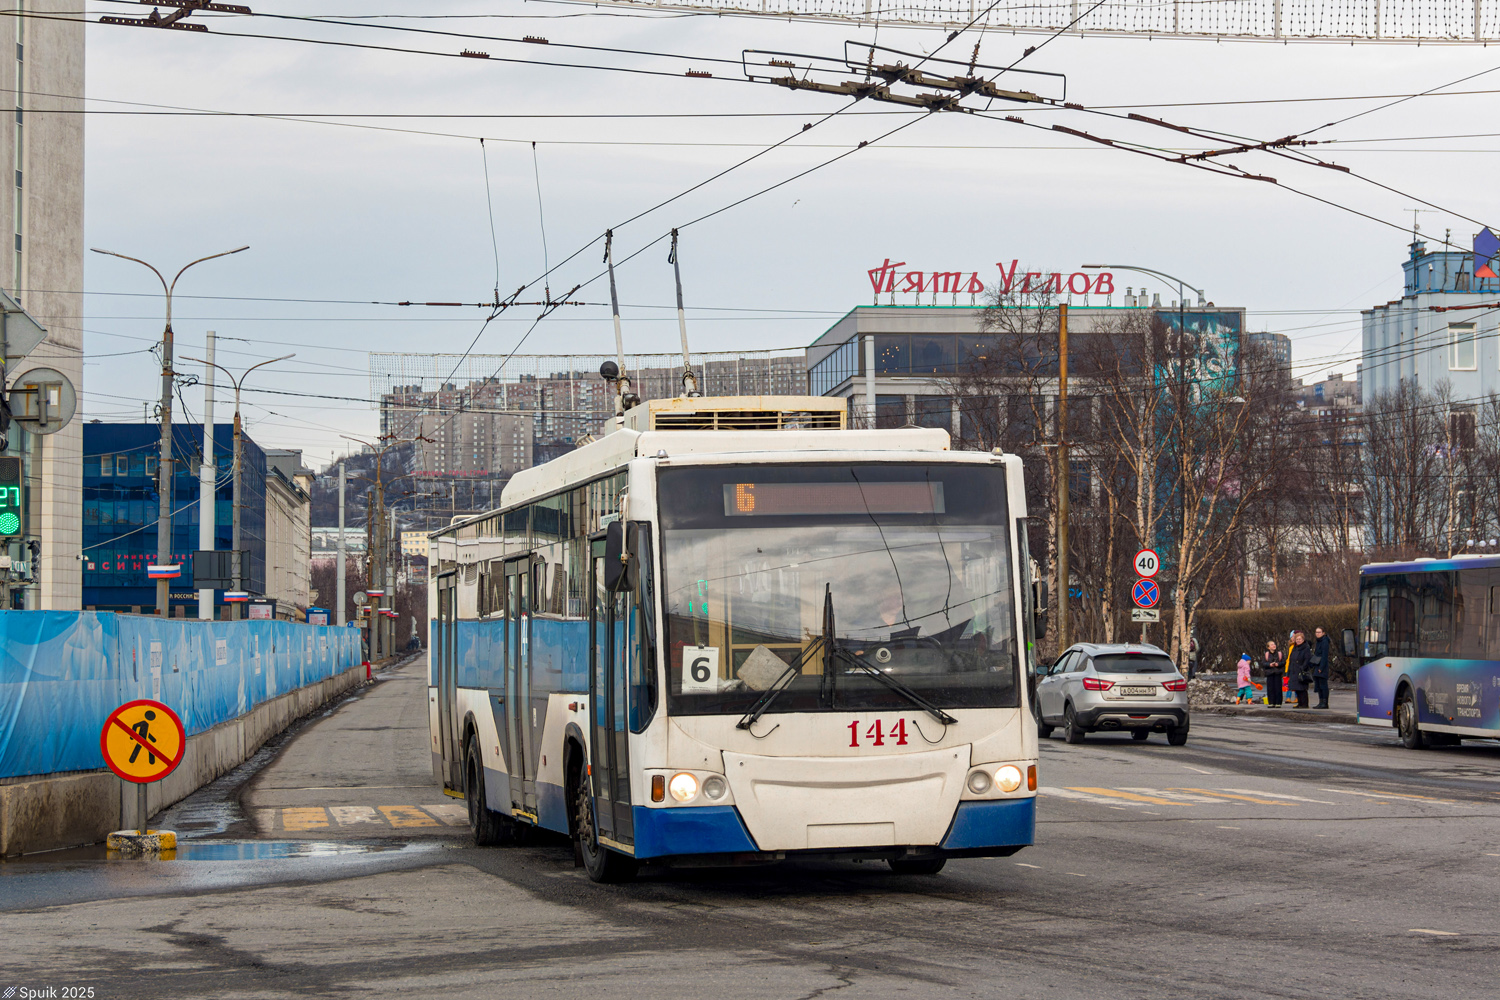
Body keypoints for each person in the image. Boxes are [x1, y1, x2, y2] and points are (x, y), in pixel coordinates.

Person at [1286, 629, 1312, 708]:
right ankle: (1300, 703)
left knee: (1302, 689)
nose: (1298, 641)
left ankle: (1304, 704)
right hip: (1294, 670)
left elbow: (1307, 659)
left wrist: (1302, 667)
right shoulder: (1294, 648)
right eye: (1297, 639)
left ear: (1303, 639)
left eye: (1300, 639)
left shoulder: (1306, 648)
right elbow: (1291, 659)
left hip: (1301, 670)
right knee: (1297, 688)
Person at [1310, 626, 1332, 709]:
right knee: (1318, 685)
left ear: (1323, 633)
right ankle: (1321, 701)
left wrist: (1321, 668)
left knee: (1323, 685)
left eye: (1319, 632)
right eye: (1316, 632)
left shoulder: (1324, 641)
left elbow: (1324, 656)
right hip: (1317, 664)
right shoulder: (1318, 641)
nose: (1317, 634)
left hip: (1322, 666)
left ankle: (1325, 702)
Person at [1262, 639, 1283, 707]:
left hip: (1277, 672)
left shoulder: (1279, 653)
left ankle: (1278, 702)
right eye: (1272, 645)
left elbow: (1284, 662)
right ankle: (1271, 702)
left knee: (1278, 688)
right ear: (1268, 647)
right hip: (1269, 673)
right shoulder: (1266, 654)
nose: (1274, 645)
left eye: (1274, 644)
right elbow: (1263, 663)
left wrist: (1278, 664)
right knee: (1270, 688)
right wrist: (1269, 665)